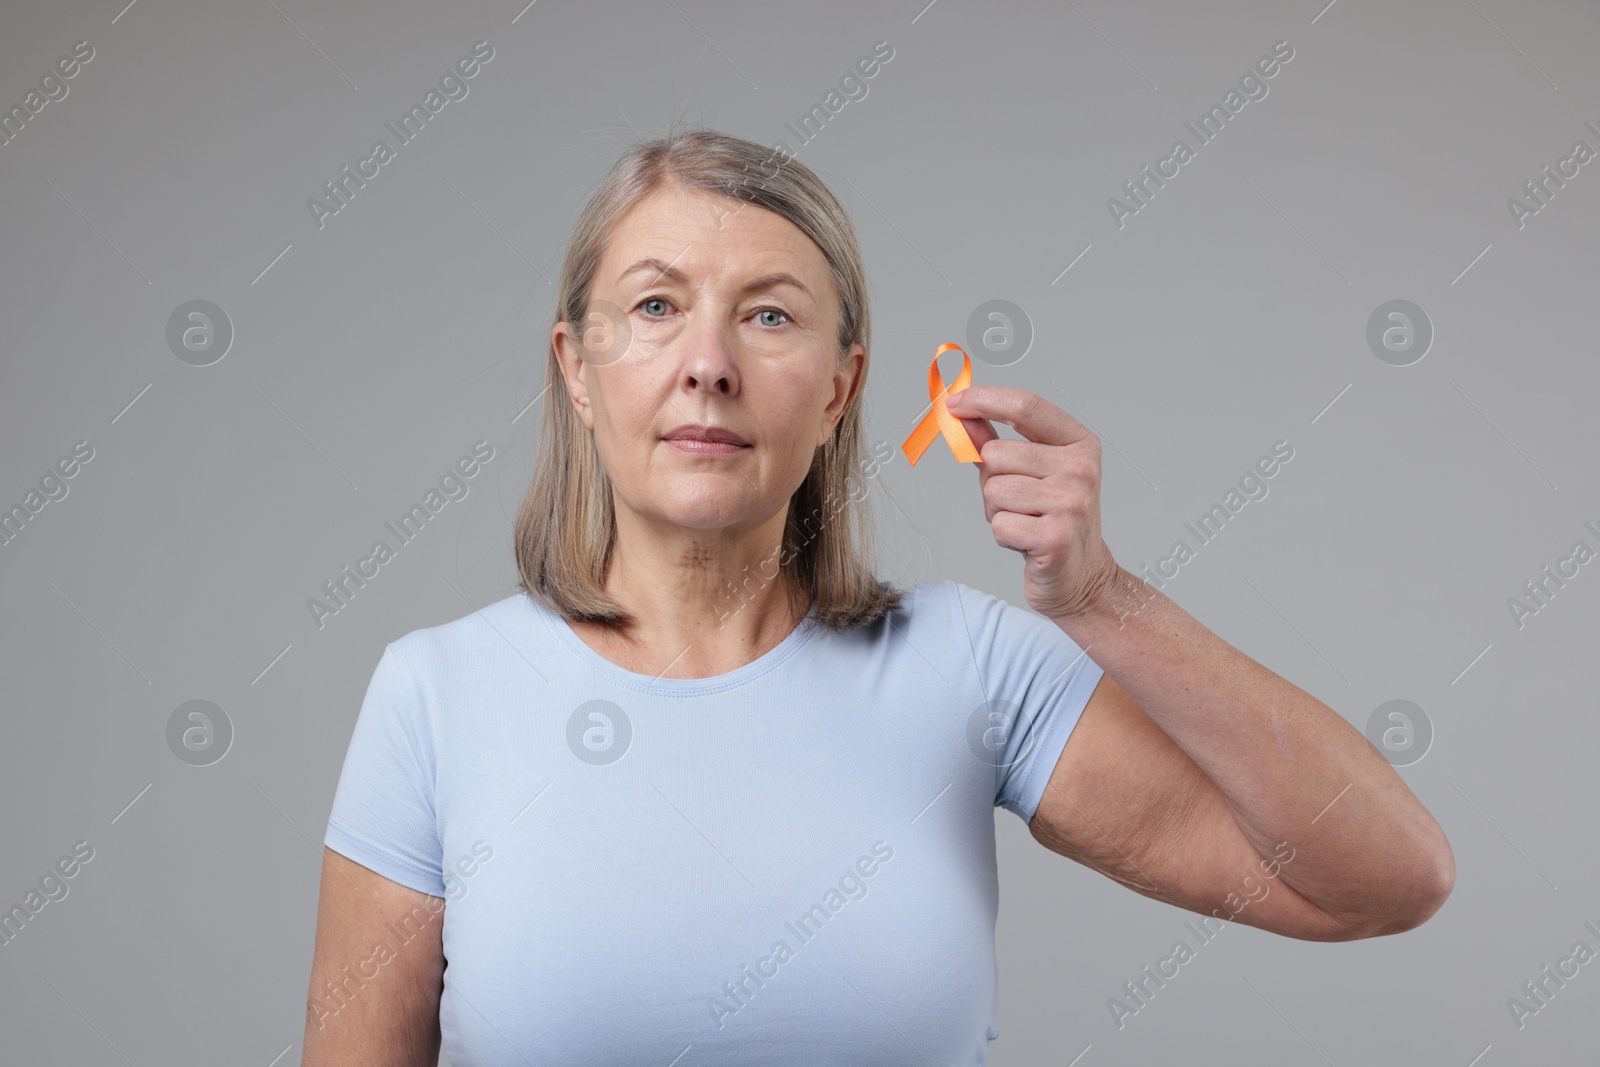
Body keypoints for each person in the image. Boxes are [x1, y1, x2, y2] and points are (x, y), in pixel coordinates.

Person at [301, 127, 1454, 1065]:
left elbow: (1384, 877)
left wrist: (1101, 597)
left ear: (842, 386)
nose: (709, 361)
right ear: (577, 368)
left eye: (769, 313)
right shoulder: (438, 693)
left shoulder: (967, 665)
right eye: (655, 306)